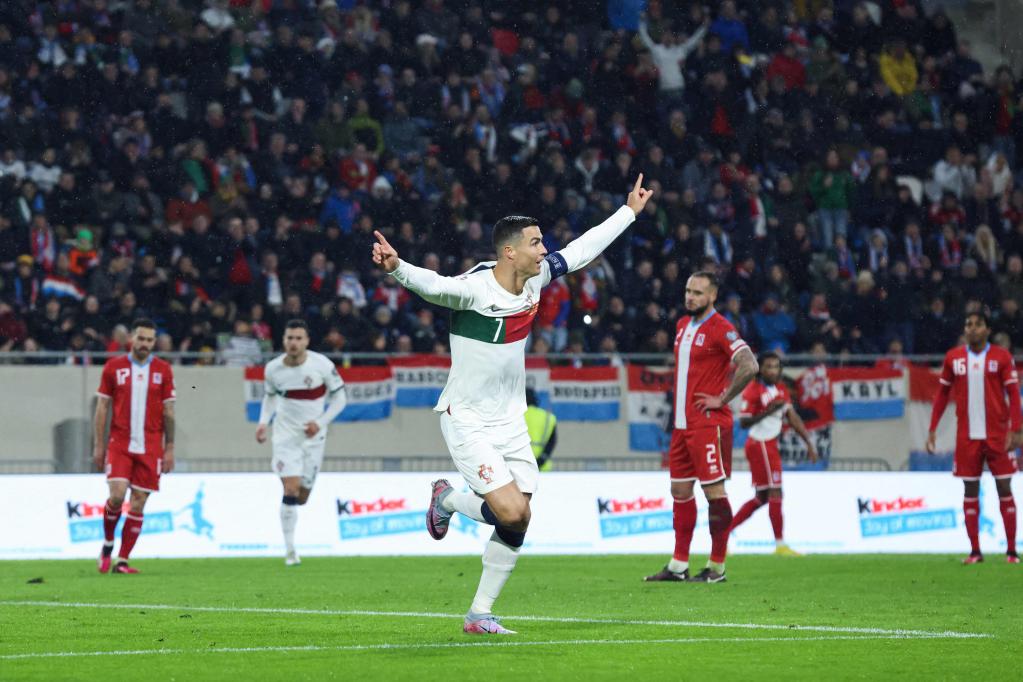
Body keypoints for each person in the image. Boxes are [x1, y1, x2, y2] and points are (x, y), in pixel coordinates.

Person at [373, 175, 653, 634]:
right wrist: (397, 267)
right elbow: (435, 286)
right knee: (509, 511)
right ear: (509, 252)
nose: (545, 250)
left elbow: (581, 250)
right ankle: (446, 499)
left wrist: (628, 212)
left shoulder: (536, 278)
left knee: (519, 518)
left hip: (510, 420)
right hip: (468, 419)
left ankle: (478, 614)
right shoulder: (475, 289)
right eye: (535, 243)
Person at [645, 271, 758, 584]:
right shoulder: (683, 324)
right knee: (680, 491)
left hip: (708, 424)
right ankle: (678, 565)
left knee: (714, 493)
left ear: (712, 296)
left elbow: (750, 365)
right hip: (682, 426)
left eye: (697, 292)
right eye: (688, 291)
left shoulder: (721, 328)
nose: (690, 297)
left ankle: (717, 567)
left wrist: (723, 398)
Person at [926, 311, 1020, 564]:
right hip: (967, 436)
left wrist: (1016, 429)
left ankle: (1012, 551)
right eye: (969, 324)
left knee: (1004, 487)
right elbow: (942, 394)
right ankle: (975, 551)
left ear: (987, 330)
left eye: (978, 324)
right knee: (970, 489)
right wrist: (932, 427)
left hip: (998, 435)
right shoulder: (954, 358)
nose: (972, 328)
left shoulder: (1001, 357)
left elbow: (1013, 394)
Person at [256, 319, 348, 566]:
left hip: (314, 437)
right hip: (285, 437)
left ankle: (291, 529)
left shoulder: (322, 365)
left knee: (302, 496)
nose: (293, 343)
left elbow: (340, 399)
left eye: (298, 338)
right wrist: (263, 422)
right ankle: (290, 551)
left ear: (307, 341)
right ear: (283, 340)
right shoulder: (273, 369)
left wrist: (320, 422)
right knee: (291, 489)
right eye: (290, 338)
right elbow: (269, 398)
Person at [92, 318, 176, 574]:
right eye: (141, 338)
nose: (144, 344)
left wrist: (169, 447)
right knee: (117, 496)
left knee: (138, 503)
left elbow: (169, 411)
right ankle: (108, 543)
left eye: (149, 340)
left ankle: (122, 560)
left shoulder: (163, 370)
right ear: (132, 338)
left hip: (150, 446)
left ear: (154, 342)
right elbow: (102, 407)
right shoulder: (113, 367)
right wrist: (98, 445)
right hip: (120, 443)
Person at [729, 352, 818, 555]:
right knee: (776, 492)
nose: (773, 370)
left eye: (776, 366)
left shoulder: (781, 389)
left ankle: (724, 534)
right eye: (769, 366)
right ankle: (780, 545)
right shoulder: (753, 390)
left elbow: (792, 417)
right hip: (760, 444)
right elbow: (744, 422)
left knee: (762, 497)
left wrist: (809, 443)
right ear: (760, 369)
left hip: (769, 444)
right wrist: (768, 411)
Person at [524, 387, 557, 471]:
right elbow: (552, 442)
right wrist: (541, 459)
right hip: (543, 467)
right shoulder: (549, 417)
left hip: (521, 466)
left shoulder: (516, 416)